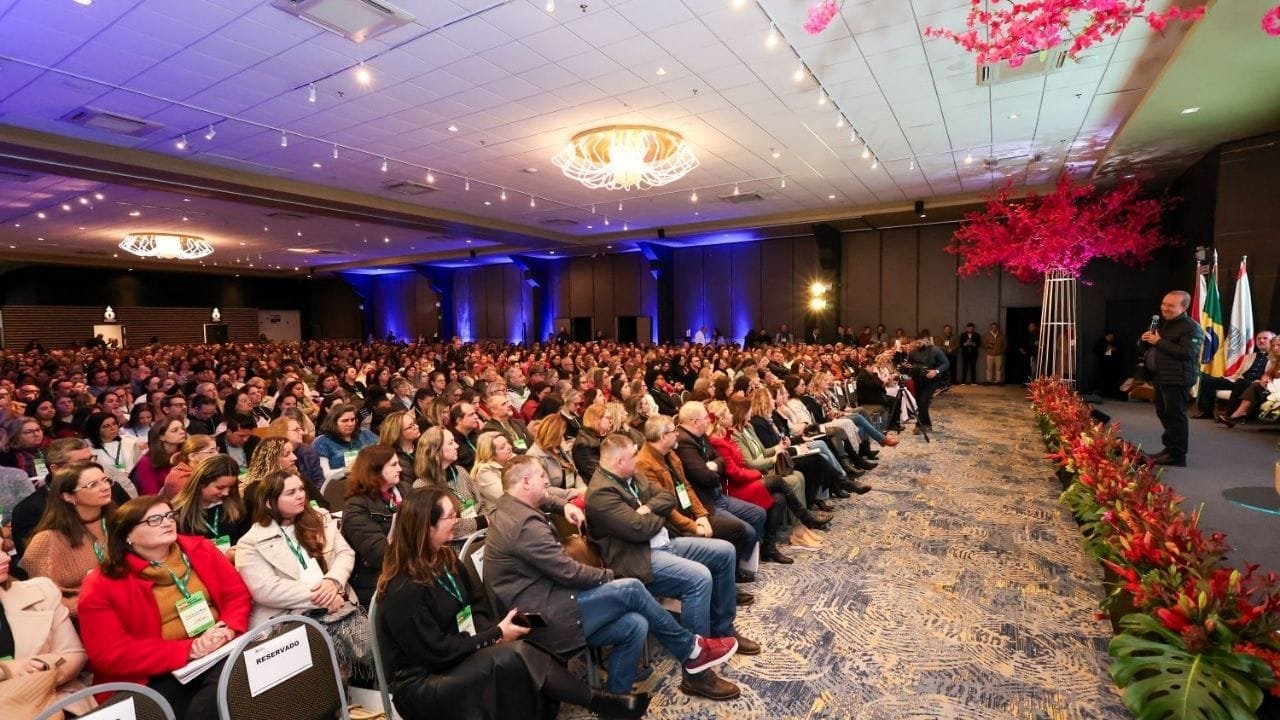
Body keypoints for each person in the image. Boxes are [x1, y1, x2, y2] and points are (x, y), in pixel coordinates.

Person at [373, 486, 649, 720]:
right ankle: (601, 702)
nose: (457, 520)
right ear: (425, 526)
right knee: (516, 656)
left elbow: (477, 603)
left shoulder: (445, 559)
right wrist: (493, 636)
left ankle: (597, 704)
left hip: (458, 650)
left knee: (529, 644)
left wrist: (491, 635)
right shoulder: (402, 588)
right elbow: (433, 652)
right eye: (449, 516)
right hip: (425, 680)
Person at [485, 455, 740, 701]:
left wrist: (564, 505)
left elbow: (546, 500)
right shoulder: (524, 526)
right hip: (538, 618)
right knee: (630, 588)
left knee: (635, 624)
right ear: (525, 482)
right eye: (541, 476)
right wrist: (608, 576)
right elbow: (569, 572)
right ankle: (692, 651)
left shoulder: (511, 506)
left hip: (545, 600)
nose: (547, 481)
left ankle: (615, 702)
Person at [585, 434, 760, 657]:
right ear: (619, 462)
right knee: (699, 577)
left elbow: (668, 498)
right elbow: (641, 530)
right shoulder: (600, 493)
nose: (637, 459)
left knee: (725, 551)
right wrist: (658, 512)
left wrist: (649, 508)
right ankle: (697, 656)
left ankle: (723, 629)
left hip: (664, 542)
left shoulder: (631, 474)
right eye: (633, 456)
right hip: (639, 557)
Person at [78, 496, 251, 720]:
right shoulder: (101, 584)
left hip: (220, 647)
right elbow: (109, 654)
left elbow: (236, 595)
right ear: (127, 535)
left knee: (245, 679)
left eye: (169, 516)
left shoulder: (201, 549)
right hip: (155, 672)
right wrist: (190, 649)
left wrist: (227, 628)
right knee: (214, 700)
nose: (167, 522)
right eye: (154, 520)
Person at [235, 470, 370, 678]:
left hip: (338, 602)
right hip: (289, 617)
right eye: (291, 493)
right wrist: (324, 597)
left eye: (301, 489)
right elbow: (266, 590)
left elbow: (345, 553)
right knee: (321, 670)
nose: (300, 496)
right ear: (270, 502)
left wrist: (332, 581)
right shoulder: (250, 542)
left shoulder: (320, 519)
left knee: (369, 654)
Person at [0, 548, 94, 717]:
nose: (5, 557)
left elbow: (74, 654)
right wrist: (6, 670)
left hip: (56, 705)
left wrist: (40, 666)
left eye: (2, 548)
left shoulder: (41, 592)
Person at [20, 461, 115, 616]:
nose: (105, 487)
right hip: (80, 616)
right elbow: (46, 599)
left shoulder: (118, 522)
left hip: (127, 604)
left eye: (105, 480)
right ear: (69, 496)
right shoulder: (47, 541)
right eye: (92, 485)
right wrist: (100, 604)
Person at [341, 445, 410, 607]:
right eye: (393, 465)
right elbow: (379, 554)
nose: (400, 469)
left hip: (407, 562)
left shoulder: (404, 489)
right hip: (375, 576)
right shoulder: (356, 507)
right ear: (375, 471)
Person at [1140, 291, 1204, 466]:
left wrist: (1158, 341)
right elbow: (1154, 348)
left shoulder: (1191, 328)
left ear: (1184, 307)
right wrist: (1145, 341)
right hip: (1161, 377)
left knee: (1175, 416)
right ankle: (1169, 449)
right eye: (1164, 304)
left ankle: (1177, 455)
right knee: (1164, 413)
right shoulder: (1163, 324)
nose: (1165, 308)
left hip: (1177, 379)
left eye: (1171, 305)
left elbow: (1187, 353)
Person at [413, 427, 484, 543]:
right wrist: (481, 522)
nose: (457, 446)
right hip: (451, 545)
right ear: (436, 451)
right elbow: (440, 526)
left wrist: (484, 524)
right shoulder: (422, 486)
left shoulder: (461, 471)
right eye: (451, 443)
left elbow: (480, 502)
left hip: (479, 535)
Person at [172, 454, 249, 555]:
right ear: (200, 484)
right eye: (220, 488)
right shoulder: (178, 515)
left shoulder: (235, 508)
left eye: (230, 487)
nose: (226, 493)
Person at [312, 403, 378, 482]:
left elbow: (383, 454)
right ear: (333, 422)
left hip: (372, 479)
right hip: (342, 484)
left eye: (352, 420)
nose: (350, 424)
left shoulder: (365, 434)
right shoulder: (322, 442)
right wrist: (350, 469)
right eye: (345, 421)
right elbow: (325, 474)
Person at [906, 332, 950, 432]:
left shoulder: (936, 350)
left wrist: (936, 371)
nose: (917, 345)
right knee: (919, 403)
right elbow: (908, 364)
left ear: (926, 340)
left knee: (924, 401)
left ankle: (919, 425)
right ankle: (927, 424)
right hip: (917, 379)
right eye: (916, 343)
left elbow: (946, 363)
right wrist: (908, 367)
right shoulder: (913, 352)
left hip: (932, 380)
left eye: (919, 343)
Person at [133, 418, 187, 496]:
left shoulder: (186, 454)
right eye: (175, 430)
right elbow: (151, 495)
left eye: (182, 428)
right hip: (161, 501)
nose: (182, 432)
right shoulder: (146, 462)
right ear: (162, 437)